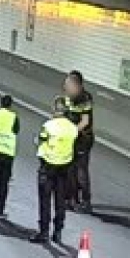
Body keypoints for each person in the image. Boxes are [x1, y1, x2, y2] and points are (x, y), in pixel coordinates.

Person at [30, 97, 78, 245]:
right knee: (60, 201)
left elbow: (40, 140)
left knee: (45, 201)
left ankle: (44, 232)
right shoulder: (73, 128)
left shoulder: (49, 126)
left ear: (56, 109)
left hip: (48, 166)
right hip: (65, 168)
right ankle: (58, 232)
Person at [63, 71, 95, 214]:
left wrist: (71, 131)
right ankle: (71, 198)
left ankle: (85, 201)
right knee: (69, 169)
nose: (66, 86)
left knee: (81, 170)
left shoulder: (85, 99)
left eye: (69, 84)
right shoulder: (67, 97)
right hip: (70, 138)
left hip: (82, 139)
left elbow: (85, 121)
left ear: (77, 85)